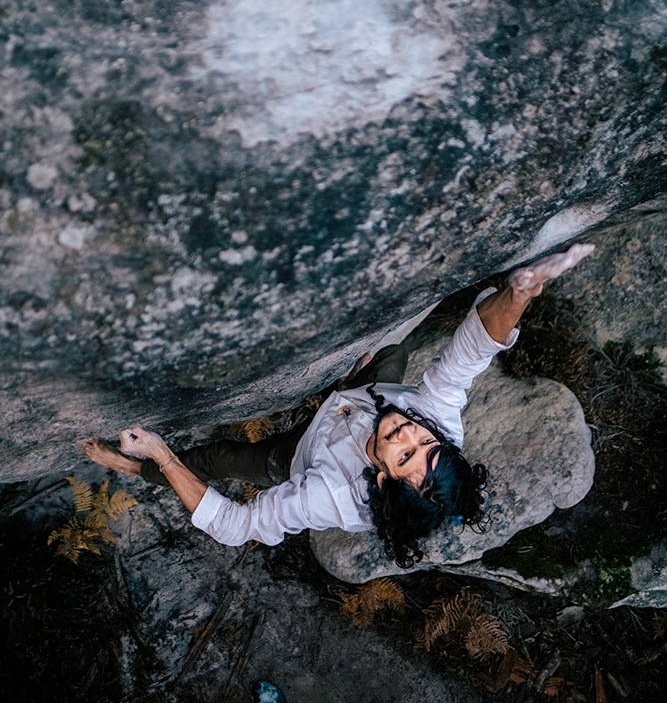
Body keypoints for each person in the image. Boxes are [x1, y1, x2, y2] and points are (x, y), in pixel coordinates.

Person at [84, 244, 594, 569]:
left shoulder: (328, 497)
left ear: (381, 481)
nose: (407, 432)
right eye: (425, 440)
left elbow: (237, 527)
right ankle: (353, 382)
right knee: (394, 353)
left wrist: (163, 454)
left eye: (404, 455)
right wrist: (521, 293)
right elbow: (471, 353)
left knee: (217, 458)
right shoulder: (432, 424)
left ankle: (134, 468)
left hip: (301, 454)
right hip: (361, 399)